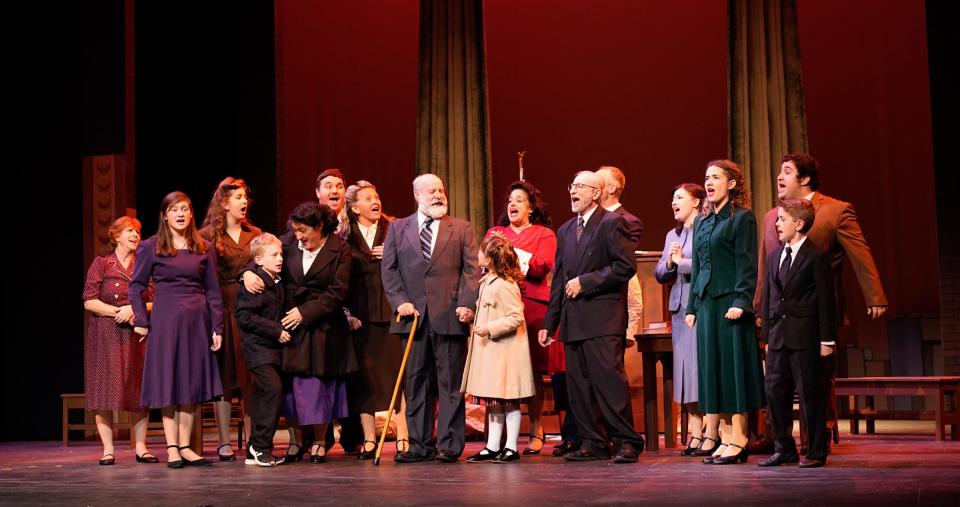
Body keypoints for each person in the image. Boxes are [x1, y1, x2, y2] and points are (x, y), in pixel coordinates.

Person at [755, 153, 888, 451]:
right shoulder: (770, 216)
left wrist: (875, 294)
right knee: (777, 380)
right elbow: (765, 268)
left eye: (786, 171)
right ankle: (778, 441)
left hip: (817, 312)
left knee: (814, 381)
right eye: (779, 171)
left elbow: (859, 252)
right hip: (779, 315)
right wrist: (759, 308)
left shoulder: (835, 210)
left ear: (804, 179)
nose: (779, 176)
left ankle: (816, 440)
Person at [538, 170, 645, 464]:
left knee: (608, 383)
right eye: (571, 186)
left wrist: (586, 282)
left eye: (580, 187)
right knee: (579, 387)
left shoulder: (613, 223)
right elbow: (559, 280)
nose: (572, 191)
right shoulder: (565, 230)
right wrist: (550, 323)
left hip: (602, 318)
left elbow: (624, 267)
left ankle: (627, 441)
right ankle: (593, 442)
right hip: (573, 322)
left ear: (596, 193)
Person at [380, 173, 480, 463]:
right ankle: (419, 445)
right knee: (416, 382)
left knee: (450, 384)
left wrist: (466, 304)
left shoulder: (460, 228)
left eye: (441, 190)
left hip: (449, 315)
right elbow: (389, 271)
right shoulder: (397, 229)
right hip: (412, 319)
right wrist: (400, 303)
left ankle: (449, 444)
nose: (438, 195)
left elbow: (471, 271)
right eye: (432, 191)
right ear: (417, 195)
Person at [129, 191, 224, 468]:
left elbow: (214, 291)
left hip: (197, 321)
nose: (181, 214)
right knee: (169, 382)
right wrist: (141, 321)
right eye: (174, 210)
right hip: (166, 320)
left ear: (191, 214)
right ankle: (172, 447)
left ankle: (186, 446)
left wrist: (216, 327)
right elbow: (136, 287)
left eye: (185, 209)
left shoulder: (203, 246)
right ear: (164, 216)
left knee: (191, 382)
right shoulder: (151, 246)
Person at [685, 160, 764, 465]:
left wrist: (741, 301)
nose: (709, 182)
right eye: (707, 177)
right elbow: (700, 267)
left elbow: (747, 264)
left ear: (731, 184)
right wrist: (692, 306)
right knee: (713, 370)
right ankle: (726, 436)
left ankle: (740, 438)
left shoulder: (742, 218)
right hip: (706, 304)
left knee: (733, 371)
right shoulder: (703, 222)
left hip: (730, 302)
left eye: (716, 177)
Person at [274, 202, 356, 464]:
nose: (298, 235)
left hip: (324, 326)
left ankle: (320, 441)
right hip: (291, 324)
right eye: (295, 230)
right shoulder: (285, 244)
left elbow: (338, 291)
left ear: (319, 226)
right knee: (293, 387)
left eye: (303, 230)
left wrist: (305, 312)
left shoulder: (340, 249)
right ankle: (296, 442)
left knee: (321, 385)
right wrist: (246, 277)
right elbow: (260, 264)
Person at [758, 199, 835, 469]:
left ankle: (815, 451)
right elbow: (769, 297)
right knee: (775, 393)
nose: (777, 224)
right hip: (778, 338)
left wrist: (827, 339)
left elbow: (826, 300)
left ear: (799, 224)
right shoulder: (774, 256)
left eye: (782, 219)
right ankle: (784, 449)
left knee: (809, 394)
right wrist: (767, 336)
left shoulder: (816, 256)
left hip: (805, 337)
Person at [483, 180, 557, 456]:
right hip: (498, 307)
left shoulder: (543, 233)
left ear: (531, 208)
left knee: (532, 371)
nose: (512, 204)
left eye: (520, 200)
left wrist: (509, 253)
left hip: (532, 307)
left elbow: (541, 266)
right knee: (498, 371)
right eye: (510, 200)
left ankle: (536, 429)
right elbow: (486, 260)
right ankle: (496, 438)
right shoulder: (496, 232)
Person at [343, 180, 410, 460]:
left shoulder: (393, 230)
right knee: (365, 378)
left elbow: (413, 264)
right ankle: (370, 439)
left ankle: (404, 435)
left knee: (399, 375)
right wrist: (347, 312)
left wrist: (393, 256)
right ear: (355, 207)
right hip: (362, 316)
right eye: (368, 197)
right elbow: (341, 280)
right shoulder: (345, 238)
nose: (375, 201)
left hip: (391, 312)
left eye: (377, 196)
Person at [82, 216, 157, 466]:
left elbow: (156, 300)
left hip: (136, 332)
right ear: (115, 236)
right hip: (105, 333)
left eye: (137, 231)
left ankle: (141, 447)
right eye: (129, 231)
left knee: (138, 388)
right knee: (104, 390)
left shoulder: (144, 264)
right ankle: (107, 449)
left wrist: (135, 310)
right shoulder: (102, 264)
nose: (136, 235)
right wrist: (120, 311)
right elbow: (89, 300)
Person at [199, 176, 262, 461]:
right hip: (222, 309)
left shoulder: (255, 235)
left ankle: (253, 439)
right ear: (224, 203)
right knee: (224, 377)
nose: (244, 202)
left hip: (251, 311)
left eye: (245, 197)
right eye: (238, 197)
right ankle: (224, 441)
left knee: (251, 376)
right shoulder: (206, 237)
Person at [654, 183, 716, 456]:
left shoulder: (706, 228)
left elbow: (710, 265)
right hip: (679, 310)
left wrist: (681, 262)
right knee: (683, 373)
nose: (673, 203)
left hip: (700, 308)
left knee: (698, 370)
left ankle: (710, 433)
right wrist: (669, 263)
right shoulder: (672, 235)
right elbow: (659, 271)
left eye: (679, 198)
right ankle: (694, 434)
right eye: (672, 198)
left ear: (695, 202)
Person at [462, 235, 535, 463]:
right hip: (492, 352)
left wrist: (489, 328)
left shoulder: (506, 284)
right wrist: (472, 316)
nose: (479, 255)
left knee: (509, 399)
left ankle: (511, 447)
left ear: (492, 258)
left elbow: (515, 317)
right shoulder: (488, 281)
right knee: (494, 401)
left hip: (506, 352)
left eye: (483, 251)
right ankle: (493, 446)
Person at [235, 233, 289, 467]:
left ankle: (254, 449)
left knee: (266, 394)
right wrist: (275, 330)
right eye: (274, 255)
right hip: (258, 348)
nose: (279, 259)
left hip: (272, 349)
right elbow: (244, 316)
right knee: (273, 389)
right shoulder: (255, 282)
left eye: (280, 254)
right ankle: (261, 446)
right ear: (258, 260)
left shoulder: (277, 281)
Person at [595, 166, 645, 346]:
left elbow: (619, 263)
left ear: (611, 188)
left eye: (598, 182)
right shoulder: (587, 220)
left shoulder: (629, 221)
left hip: (611, 307)